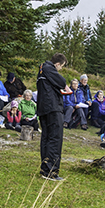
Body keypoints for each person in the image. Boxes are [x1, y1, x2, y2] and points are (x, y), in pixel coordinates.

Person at [37, 53, 69, 181]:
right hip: (53, 108)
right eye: (61, 67)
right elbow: (62, 82)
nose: (60, 70)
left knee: (46, 137)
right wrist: (65, 86)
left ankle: (45, 168)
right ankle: (51, 171)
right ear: (57, 64)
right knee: (55, 138)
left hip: (45, 108)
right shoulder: (48, 67)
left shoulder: (43, 71)